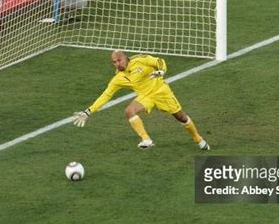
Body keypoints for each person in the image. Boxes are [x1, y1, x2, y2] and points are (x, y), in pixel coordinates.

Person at [72, 50, 210, 150]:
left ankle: (197, 138)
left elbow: (158, 61)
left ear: (125, 57)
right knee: (129, 111)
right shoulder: (118, 78)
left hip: (161, 92)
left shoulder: (140, 60)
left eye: (119, 60)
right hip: (146, 97)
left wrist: (161, 71)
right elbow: (106, 95)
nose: (117, 64)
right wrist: (89, 111)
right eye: (114, 62)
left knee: (181, 117)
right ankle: (146, 139)